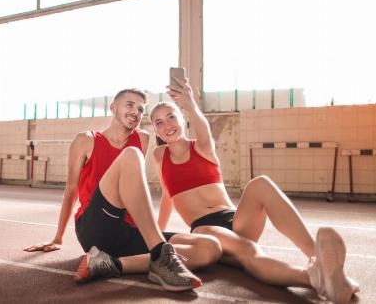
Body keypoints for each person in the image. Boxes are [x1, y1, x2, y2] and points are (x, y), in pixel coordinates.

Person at [149, 77, 360, 303]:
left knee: (260, 183)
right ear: (156, 131)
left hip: (235, 219)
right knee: (249, 249)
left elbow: (204, 130)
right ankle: (314, 278)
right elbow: (167, 197)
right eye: (159, 122)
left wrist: (190, 102)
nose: (167, 124)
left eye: (171, 116)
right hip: (205, 229)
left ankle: (317, 259)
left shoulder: (202, 147)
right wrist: (155, 239)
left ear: (183, 119)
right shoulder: (159, 156)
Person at [24, 88, 222, 291]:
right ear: (113, 107)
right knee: (131, 155)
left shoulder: (143, 139)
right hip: (95, 228)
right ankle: (160, 253)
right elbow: (71, 189)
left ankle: (111, 265)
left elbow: (132, 187)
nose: (135, 112)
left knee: (210, 247)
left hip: (126, 232)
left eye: (140, 109)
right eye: (130, 105)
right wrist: (58, 237)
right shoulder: (86, 140)